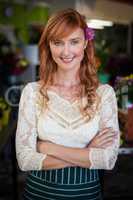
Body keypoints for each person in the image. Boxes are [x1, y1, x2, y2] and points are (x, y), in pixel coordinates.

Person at [15, 8, 120, 200]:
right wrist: (88, 152)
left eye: (74, 42)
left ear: (85, 43)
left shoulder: (104, 94)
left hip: (87, 194)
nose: (66, 52)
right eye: (58, 43)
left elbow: (107, 159)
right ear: (49, 45)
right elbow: (25, 159)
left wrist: (47, 148)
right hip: (39, 194)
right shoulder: (32, 92)